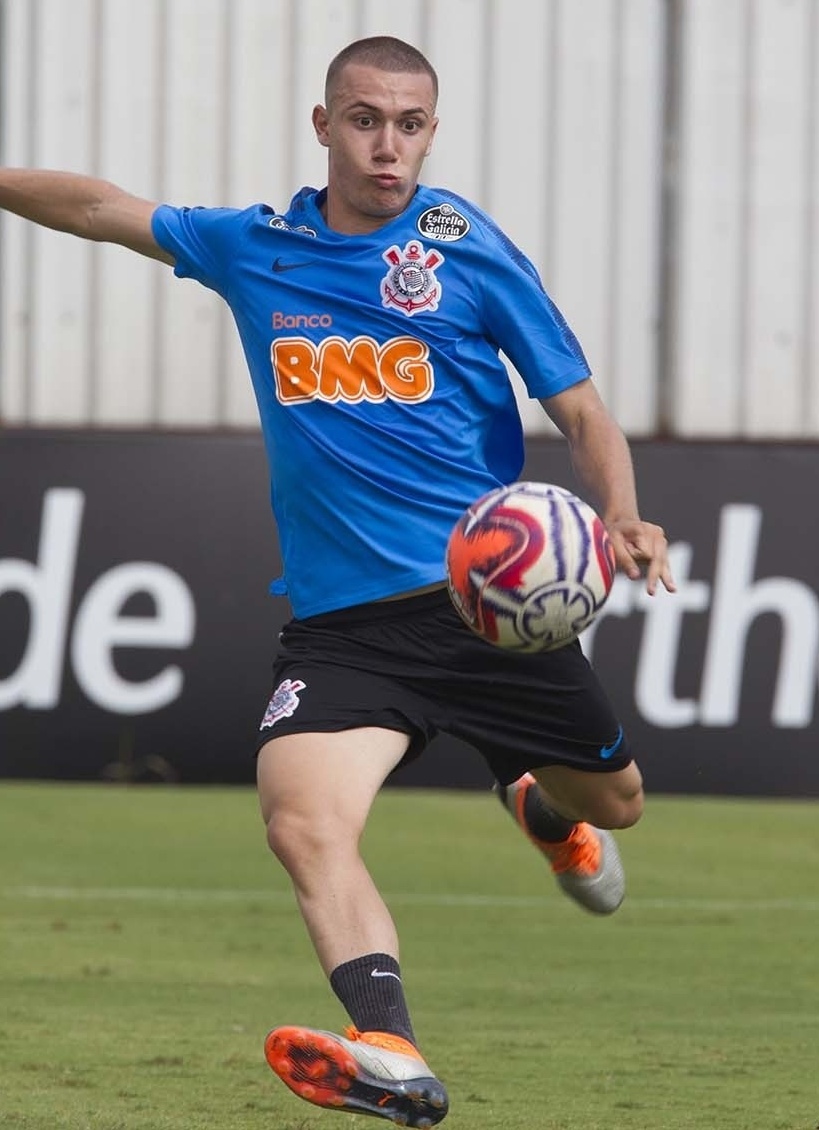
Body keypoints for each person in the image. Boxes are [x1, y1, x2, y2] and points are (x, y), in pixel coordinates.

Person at [0, 35, 675, 1129]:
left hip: (486, 613)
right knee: (302, 821)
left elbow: (581, 409)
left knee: (620, 805)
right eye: (365, 120)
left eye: (409, 124)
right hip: (343, 631)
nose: (387, 146)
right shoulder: (254, 248)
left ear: (431, 132)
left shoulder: (465, 248)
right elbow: (97, 208)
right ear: (323, 127)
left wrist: (622, 514)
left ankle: (543, 805)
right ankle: (391, 1048)